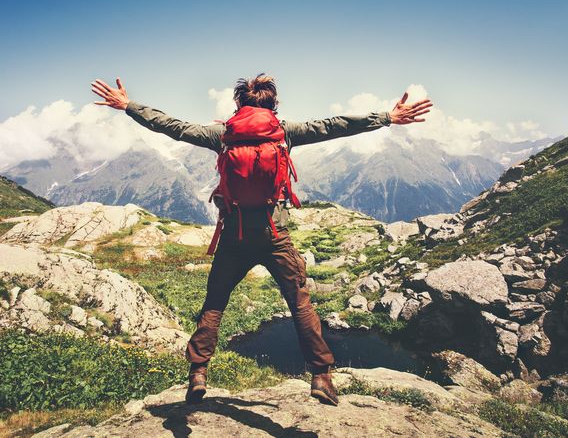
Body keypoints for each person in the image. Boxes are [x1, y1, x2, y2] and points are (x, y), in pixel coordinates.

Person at [91, 74, 432, 406]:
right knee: (300, 303)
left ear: (239, 104)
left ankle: (198, 373)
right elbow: (335, 125)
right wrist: (387, 117)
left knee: (215, 302)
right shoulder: (284, 133)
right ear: (274, 106)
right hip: (275, 236)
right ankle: (321, 377)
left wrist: (128, 105)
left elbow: (172, 126)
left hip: (234, 236)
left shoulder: (222, 135)